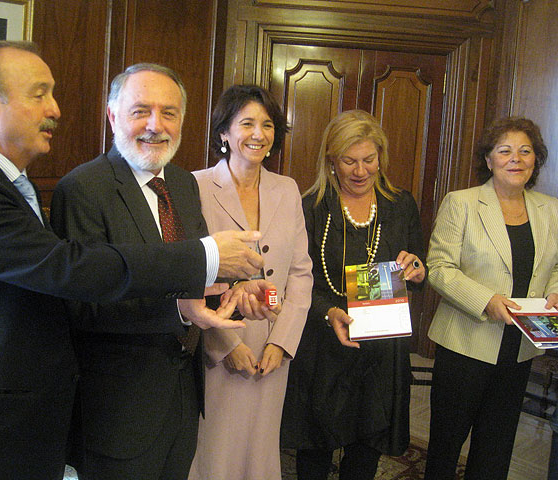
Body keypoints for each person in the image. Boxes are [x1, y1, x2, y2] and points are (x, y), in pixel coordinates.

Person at [0, 41, 264, 480]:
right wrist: (207, 255)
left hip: (33, 420)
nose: (56, 109)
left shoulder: (9, 183)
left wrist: (222, 292)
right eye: (39, 94)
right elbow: (69, 270)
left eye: (169, 113)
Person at [50, 63, 245, 480]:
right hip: (118, 412)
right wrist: (179, 311)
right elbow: (82, 306)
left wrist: (238, 293)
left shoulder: (183, 183)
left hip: (182, 400)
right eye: (141, 111)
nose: (155, 125)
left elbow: (196, 275)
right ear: (112, 116)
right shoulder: (82, 189)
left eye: (168, 113)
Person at [281, 110, 426, 480]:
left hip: (381, 351)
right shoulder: (311, 207)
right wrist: (328, 312)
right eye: (349, 161)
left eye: (368, 160)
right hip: (324, 344)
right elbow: (296, 280)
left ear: (381, 158)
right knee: (315, 452)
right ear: (331, 160)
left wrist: (417, 269)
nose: (360, 171)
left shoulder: (400, 205)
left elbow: (419, 267)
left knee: (366, 451)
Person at [187, 85, 313, 480]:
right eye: (247, 123)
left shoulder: (287, 189)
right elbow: (189, 275)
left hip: (272, 345)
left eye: (268, 124)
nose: (259, 133)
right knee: (216, 450)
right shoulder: (195, 186)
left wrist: (282, 342)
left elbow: (300, 272)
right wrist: (226, 344)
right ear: (224, 132)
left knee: (260, 450)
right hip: (218, 341)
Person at [424, 116, 558, 480]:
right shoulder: (462, 203)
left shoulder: (550, 209)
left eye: (525, 151)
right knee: (446, 444)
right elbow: (439, 267)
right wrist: (486, 300)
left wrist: (554, 290)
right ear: (489, 159)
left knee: (496, 446)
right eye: (505, 151)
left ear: (535, 160)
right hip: (465, 342)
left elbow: (556, 266)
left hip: (520, 346)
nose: (516, 159)